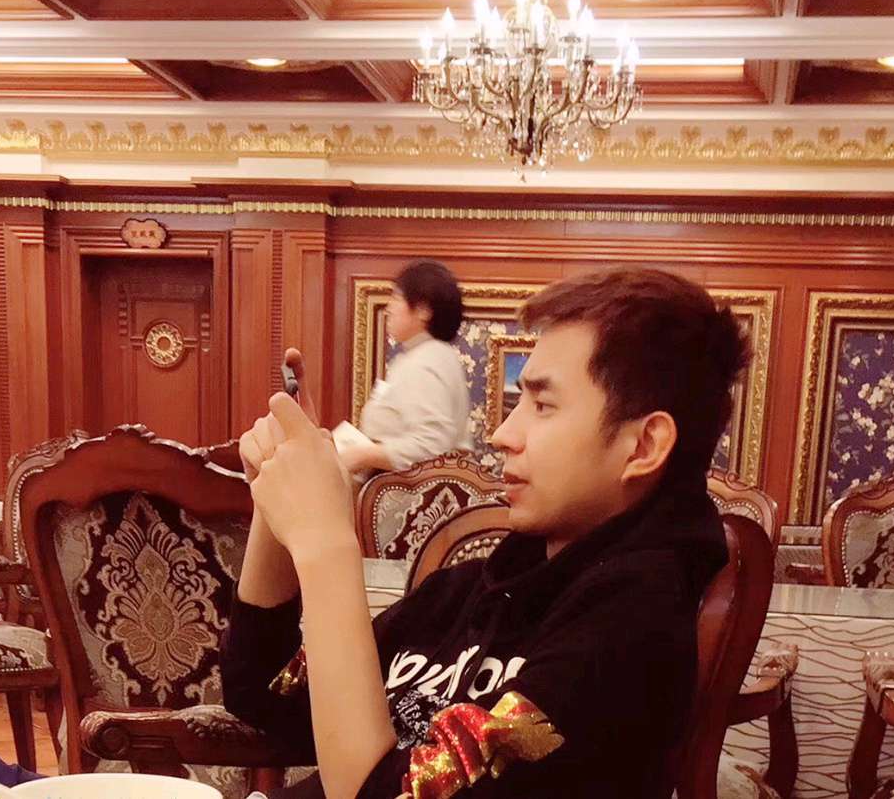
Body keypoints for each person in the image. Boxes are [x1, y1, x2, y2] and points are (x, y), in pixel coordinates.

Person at [222, 267, 751, 799]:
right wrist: (278, 488)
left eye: (542, 406)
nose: (501, 434)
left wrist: (327, 546)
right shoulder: (477, 590)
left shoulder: (630, 629)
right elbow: (266, 696)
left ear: (643, 446)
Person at [277, 260, 471, 482]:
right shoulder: (425, 356)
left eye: (396, 298)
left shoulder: (427, 360)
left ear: (423, 311)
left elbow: (433, 446)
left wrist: (363, 455)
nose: (388, 308)